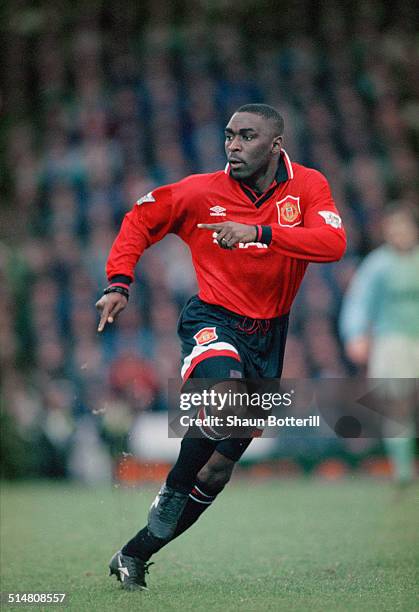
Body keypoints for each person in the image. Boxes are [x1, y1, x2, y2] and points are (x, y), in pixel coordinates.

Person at [96, 104, 346, 590]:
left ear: (275, 145)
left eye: (246, 136)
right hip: (214, 319)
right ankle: (170, 490)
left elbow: (333, 244)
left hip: (270, 335)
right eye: (229, 135)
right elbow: (140, 218)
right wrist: (118, 282)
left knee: (217, 469)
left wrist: (260, 232)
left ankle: (134, 553)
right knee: (225, 397)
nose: (232, 145)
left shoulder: (309, 186)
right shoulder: (199, 192)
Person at [340, 203, 419, 488]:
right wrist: (355, 334)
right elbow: (358, 302)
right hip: (392, 343)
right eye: (394, 227)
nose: (400, 232)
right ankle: (403, 469)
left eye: (405, 226)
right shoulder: (378, 265)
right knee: (399, 407)